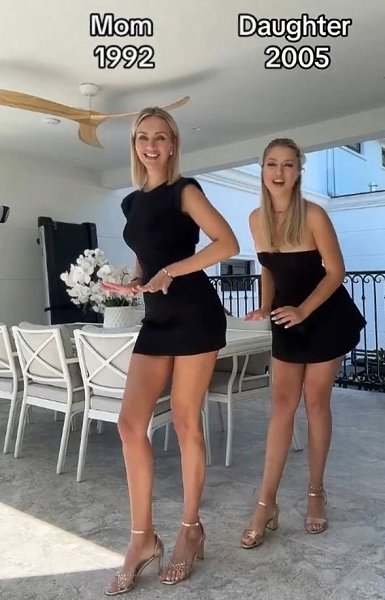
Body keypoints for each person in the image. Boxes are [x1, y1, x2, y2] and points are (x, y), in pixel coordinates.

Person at [102, 106, 239, 594]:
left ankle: (190, 528)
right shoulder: (130, 203)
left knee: (184, 422)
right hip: (156, 318)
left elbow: (227, 243)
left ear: (173, 143)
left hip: (196, 313)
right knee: (129, 424)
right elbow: (147, 258)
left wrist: (172, 271)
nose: (151, 145)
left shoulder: (186, 191)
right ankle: (142, 538)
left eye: (160, 137)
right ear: (135, 144)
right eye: (143, 137)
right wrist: (134, 283)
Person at [240, 138, 365, 548]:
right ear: (262, 169)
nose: (279, 172)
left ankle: (315, 493)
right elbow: (268, 268)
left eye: (288, 165)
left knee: (315, 403)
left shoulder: (313, 215)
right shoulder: (256, 219)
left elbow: (336, 271)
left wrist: (303, 310)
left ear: (298, 172)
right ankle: (266, 503)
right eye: (272, 164)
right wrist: (265, 306)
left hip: (324, 315)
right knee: (281, 406)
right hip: (287, 319)